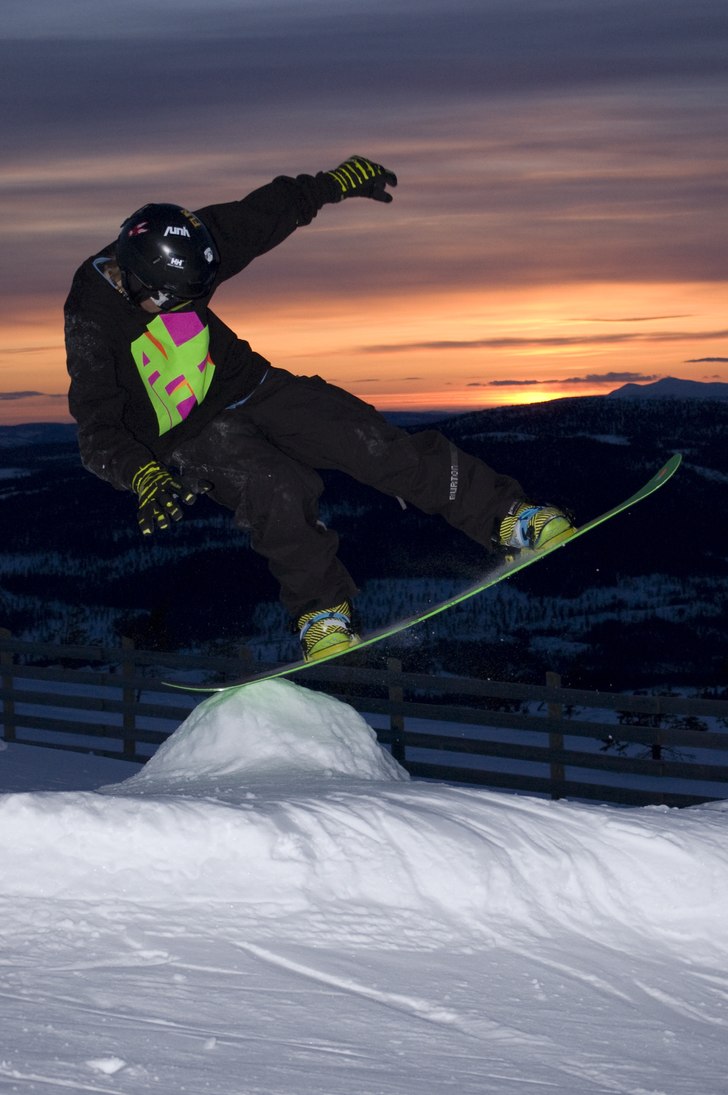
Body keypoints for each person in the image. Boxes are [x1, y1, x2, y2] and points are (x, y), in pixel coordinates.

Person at [65, 155, 574, 662]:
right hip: (190, 435)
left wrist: (333, 183)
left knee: (369, 441)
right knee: (277, 487)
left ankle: (510, 517)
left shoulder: (187, 251)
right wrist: (141, 475)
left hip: (253, 384)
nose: (185, 308)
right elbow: (96, 428)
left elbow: (264, 212)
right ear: (133, 281)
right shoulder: (92, 322)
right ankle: (322, 613)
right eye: (172, 301)